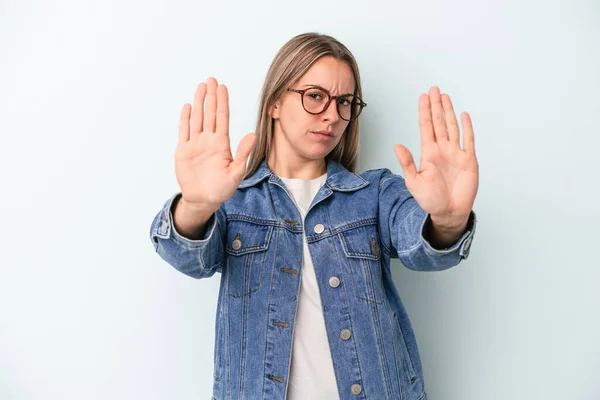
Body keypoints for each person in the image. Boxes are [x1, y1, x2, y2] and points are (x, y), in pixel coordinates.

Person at [149, 32, 478, 400]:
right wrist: (196, 205)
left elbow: (421, 244)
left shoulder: (375, 194)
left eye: (345, 102)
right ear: (274, 102)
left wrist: (448, 221)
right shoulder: (233, 201)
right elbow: (186, 256)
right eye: (315, 96)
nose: (333, 116)